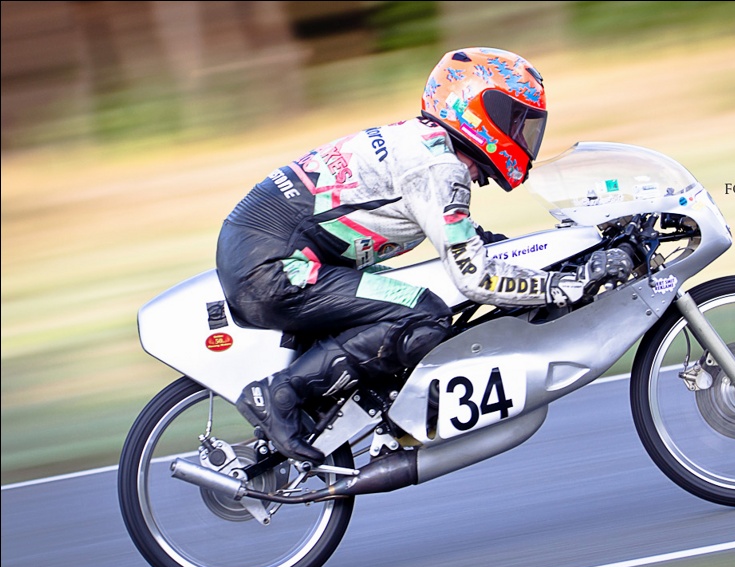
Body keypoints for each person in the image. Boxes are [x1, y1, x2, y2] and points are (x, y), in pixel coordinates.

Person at [216, 46, 631, 464]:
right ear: (477, 110)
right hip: (273, 267)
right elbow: (476, 277)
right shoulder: (437, 168)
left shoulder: (426, 146)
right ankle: (279, 394)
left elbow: (471, 243)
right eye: (516, 120)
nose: (523, 135)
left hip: (267, 254)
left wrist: (549, 261)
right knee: (424, 315)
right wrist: (566, 285)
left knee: (416, 305)